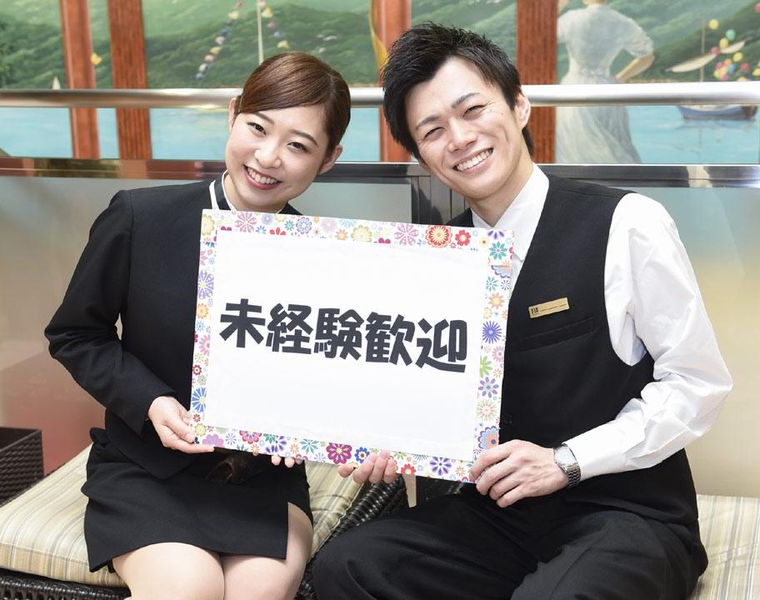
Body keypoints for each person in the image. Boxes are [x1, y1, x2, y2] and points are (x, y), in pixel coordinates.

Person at [312, 23, 731, 600]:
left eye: (473, 110)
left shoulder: (627, 222)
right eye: (433, 130)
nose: (460, 138)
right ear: (421, 155)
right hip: (500, 518)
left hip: (625, 513)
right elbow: (433, 403)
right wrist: (391, 444)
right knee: (350, 567)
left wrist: (567, 461)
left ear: (519, 104)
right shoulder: (439, 259)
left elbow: (697, 383)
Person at [45, 52, 349, 600]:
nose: (268, 157)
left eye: (299, 145)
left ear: (329, 159)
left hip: (264, 477)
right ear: (233, 115)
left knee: (259, 592)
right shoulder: (140, 217)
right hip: (145, 467)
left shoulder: (326, 256)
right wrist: (152, 401)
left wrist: (310, 424)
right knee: (189, 588)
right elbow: (75, 335)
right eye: (258, 128)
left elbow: (328, 374)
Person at [556, 0, 655, 163]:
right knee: (612, 150)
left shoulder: (573, 19)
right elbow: (647, 57)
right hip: (607, 90)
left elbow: (542, 36)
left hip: (575, 88)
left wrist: (559, 5)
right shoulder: (622, 22)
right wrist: (620, 78)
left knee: (574, 149)